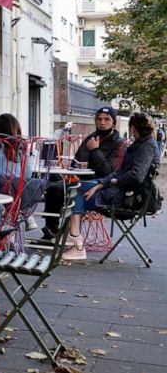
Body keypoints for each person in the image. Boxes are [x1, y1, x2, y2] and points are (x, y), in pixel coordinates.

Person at [64, 112, 160, 261]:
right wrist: (100, 184)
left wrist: (113, 182)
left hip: (131, 196)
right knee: (76, 188)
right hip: (123, 190)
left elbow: (136, 176)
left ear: (134, 128)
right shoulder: (139, 144)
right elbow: (119, 171)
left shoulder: (147, 146)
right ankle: (75, 239)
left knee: (75, 193)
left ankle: (76, 242)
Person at [40, 106, 125, 239]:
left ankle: (69, 233)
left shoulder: (119, 143)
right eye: (99, 119)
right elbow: (77, 162)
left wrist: (95, 151)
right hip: (80, 179)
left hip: (100, 185)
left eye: (107, 119)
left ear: (113, 122)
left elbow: (109, 172)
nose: (102, 122)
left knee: (65, 190)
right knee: (53, 188)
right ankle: (52, 228)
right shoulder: (90, 139)